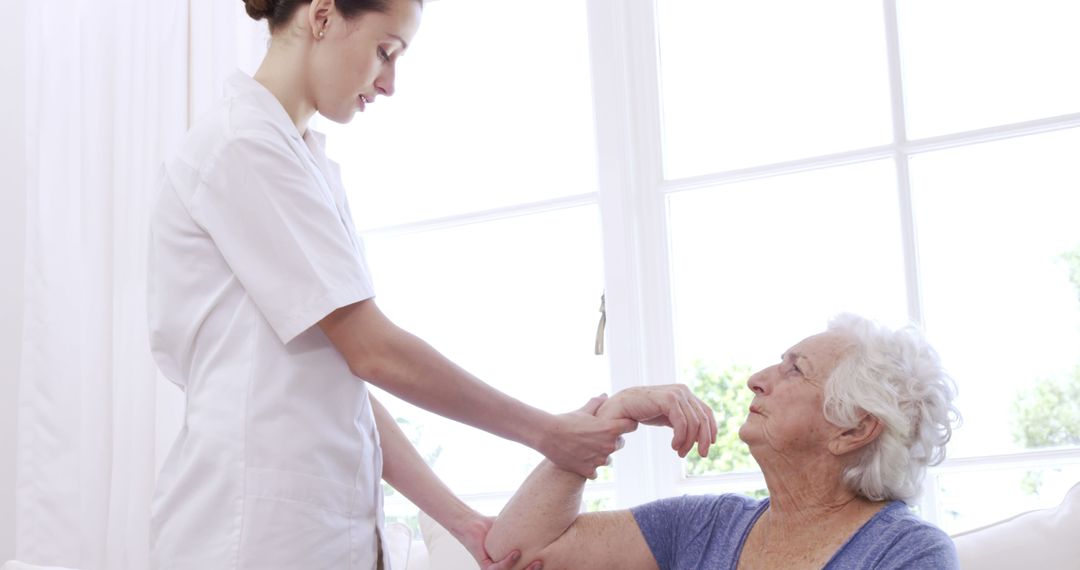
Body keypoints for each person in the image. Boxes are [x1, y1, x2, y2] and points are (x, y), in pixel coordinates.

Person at [146, 0, 643, 568]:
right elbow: (373, 351)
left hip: (312, 528)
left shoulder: (299, 159)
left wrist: (463, 522)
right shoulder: (241, 146)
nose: (389, 83)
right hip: (248, 533)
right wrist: (545, 432)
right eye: (385, 52)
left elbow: (338, 383)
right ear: (324, 15)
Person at [484, 313, 961, 569]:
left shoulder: (908, 554)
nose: (756, 379)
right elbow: (515, 551)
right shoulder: (707, 526)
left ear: (854, 429)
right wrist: (613, 415)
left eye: (795, 369)